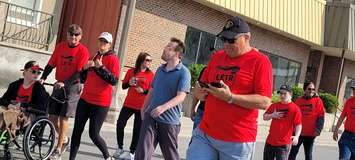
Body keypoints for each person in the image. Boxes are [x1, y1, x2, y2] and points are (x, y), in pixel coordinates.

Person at [186, 16, 273, 160]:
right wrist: (198, 92)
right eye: (223, 39)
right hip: (206, 134)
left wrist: (230, 97)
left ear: (247, 37)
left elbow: (264, 101)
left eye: (231, 40)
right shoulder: (217, 57)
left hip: (237, 140)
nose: (226, 44)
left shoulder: (261, 62)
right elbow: (201, 83)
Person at [134, 37, 191, 160]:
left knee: (171, 156)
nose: (165, 49)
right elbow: (152, 91)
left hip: (170, 122)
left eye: (169, 48)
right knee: (141, 154)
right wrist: (144, 108)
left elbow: (181, 96)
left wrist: (163, 108)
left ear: (177, 53)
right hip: (151, 117)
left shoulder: (184, 72)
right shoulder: (160, 70)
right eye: (166, 46)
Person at [40, 24, 90, 159]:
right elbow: (51, 64)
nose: (73, 37)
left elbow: (79, 72)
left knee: (63, 118)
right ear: (67, 34)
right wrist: (43, 78)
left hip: (73, 86)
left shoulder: (83, 51)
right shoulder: (60, 47)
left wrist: (65, 83)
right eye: (71, 34)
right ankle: (64, 139)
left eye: (76, 35)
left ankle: (58, 148)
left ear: (80, 37)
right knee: (52, 116)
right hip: (59, 85)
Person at [69, 32, 120, 160]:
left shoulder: (113, 59)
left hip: (100, 103)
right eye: (100, 41)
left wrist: (101, 67)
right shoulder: (95, 55)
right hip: (85, 99)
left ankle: (107, 157)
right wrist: (85, 69)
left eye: (105, 42)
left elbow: (114, 80)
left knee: (94, 134)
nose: (102, 44)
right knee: (76, 131)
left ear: (109, 45)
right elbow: (84, 79)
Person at [113, 52, 154, 159]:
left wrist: (143, 91)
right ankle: (120, 148)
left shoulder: (151, 75)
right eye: (147, 60)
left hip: (141, 106)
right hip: (129, 103)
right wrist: (129, 83)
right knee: (120, 124)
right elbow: (123, 86)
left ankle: (132, 152)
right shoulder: (131, 71)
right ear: (141, 61)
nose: (150, 62)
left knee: (137, 130)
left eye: (150, 60)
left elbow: (152, 91)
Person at [263, 85, 302, 160]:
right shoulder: (274, 105)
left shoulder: (295, 109)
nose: (282, 95)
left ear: (290, 94)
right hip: (270, 141)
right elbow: (264, 117)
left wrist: (297, 136)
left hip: (283, 144)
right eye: (280, 93)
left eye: (284, 93)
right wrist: (272, 115)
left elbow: (298, 124)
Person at [289, 82, 325, 160]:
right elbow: (293, 116)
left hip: (311, 133)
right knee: (293, 153)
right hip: (298, 133)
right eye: (309, 89)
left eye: (313, 89)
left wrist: (318, 130)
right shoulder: (299, 100)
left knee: (308, 154)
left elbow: (321, 116)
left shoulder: (318, 101)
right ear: (304, 90)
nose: (311, 91)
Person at [333, 84, 355, 160]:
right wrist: (336, 129)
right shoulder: (349, 102)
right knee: (344, 158)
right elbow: (342, 116)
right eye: (353, 89)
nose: (354, 91)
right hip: (347, 136)